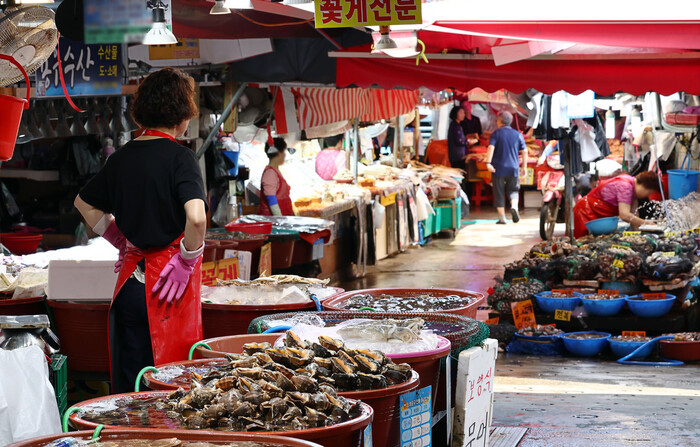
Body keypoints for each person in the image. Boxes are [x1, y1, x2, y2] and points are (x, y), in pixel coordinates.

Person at [74, 67, 207, 393]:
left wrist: (118, 237)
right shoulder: (181, 158)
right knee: (172, 384)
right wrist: (187, 260)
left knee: (133, 386)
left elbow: (83, 204)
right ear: (180, 114)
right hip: (167, 288)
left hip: (129, 287)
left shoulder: (120, 159)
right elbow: (197, 217)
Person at [573, 171, 660, 238]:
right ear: (644, 186)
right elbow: (624, 215)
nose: (647, 196)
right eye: (649, 192)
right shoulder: (626, 186)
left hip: (597, 213)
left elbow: (633, 215)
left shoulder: (632, 186)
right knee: (582, 242)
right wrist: (647, 224)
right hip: (586, 211)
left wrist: (637, 236)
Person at [486, 111, 527, 224]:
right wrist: (524, 166)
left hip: (498, 168)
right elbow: (524, 151)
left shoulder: (496, 133)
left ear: (499, 121)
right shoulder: (517, 134)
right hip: (513, 167)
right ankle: (514, 206)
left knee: (498, 192)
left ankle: (502, 218)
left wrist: (488, 163)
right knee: (513, 190)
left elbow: (491, 148)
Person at [259, 137, 294, 216]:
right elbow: (271, 199)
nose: (285, 155)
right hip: (273, 222)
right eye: (284, 151)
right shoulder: (270, 173)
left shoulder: (275, 171)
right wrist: (280, 220)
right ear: (279, 153)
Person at [447, 106, 467, 170]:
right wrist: (468, 143)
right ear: (456, 114)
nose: (463, 115)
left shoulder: (457, 125)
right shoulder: (455, 126)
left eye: (463, 113)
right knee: (458, 173)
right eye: (461, 113)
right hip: (457, 156)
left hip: (457, 156)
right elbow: (459, 141)